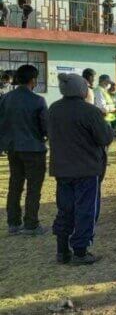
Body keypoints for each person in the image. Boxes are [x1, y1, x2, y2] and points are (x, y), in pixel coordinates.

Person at [48, 73, 113, 265]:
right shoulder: (89, 111)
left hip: (62, 169)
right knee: (86, 210)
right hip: (86, 170)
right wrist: (107, 126)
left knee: (64, 209)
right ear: (82, 91)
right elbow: (105, 138)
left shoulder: (54, 109)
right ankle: (80, 251)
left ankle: (62, 250)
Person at [0, 64, 48, 235]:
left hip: (13, 148)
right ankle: (31, 224)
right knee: (33, 188)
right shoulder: (38, 100)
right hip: (34, 148)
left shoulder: (5, 98)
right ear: (33, 80)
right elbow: (45, 127)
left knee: (15, 185)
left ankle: (13, 223)